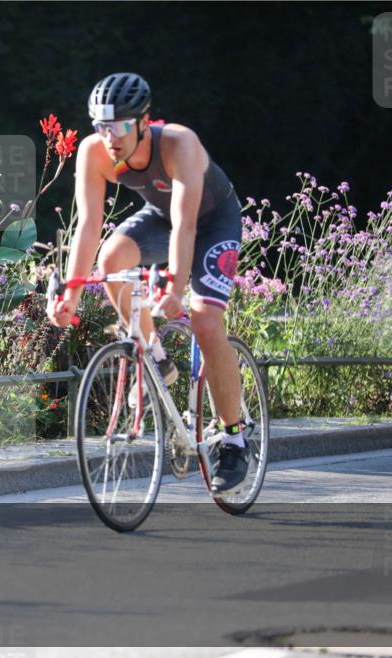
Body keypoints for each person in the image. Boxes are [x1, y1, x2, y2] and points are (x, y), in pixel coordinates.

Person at [47, 72, 248, 494]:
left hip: (211, 223)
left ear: (144, 122)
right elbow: (88, 225)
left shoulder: (179, 143)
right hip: (161, 219)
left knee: (205, 322)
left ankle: (233, 439)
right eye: (102, 126)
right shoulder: (94, 152)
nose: (111, 138)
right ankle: (156, 356)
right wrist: (71, 293)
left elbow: (187, 226)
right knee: (111, 259)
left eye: (121, 126)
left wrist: (175, 287)